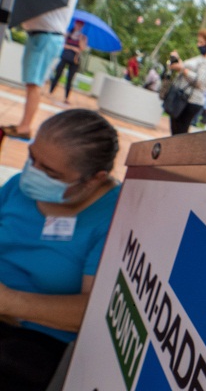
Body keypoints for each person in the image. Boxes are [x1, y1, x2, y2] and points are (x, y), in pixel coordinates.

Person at [0, 109, 120, 390]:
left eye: (50, 172)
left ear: (94, 178)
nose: (32, 172)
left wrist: (8, 302)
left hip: (36, 341)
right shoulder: (17, 187)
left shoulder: (113, 217)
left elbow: (92, 311)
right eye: (32, 158)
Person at [0, 0, 77, 141]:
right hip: (44, 37)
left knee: (34, 83)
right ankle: (24, 125)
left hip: (45, 37)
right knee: (33, 82)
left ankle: (25, 127)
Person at [167, 28, 206, 135]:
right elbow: (186, 67)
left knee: (180, 132)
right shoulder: (201, 57)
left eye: (201, 42)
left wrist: (182, 69)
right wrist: (177, 61)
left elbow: (200, 81)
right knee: (176, 130)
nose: (199, 45)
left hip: (191, 100)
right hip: (183, 96)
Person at [49, 19, 88, 104]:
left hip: (74, 60)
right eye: (78, 24)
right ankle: (51, 91)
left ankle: (66, 97)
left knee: (70, 79)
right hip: (65, 56)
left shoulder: (83, 37)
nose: (78, 26)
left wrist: (80, 39)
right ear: (75, 24)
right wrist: (72, 48)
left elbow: (82, 48)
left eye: (80, 25)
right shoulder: (68, 33)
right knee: (58, 74)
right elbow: (62, 44)